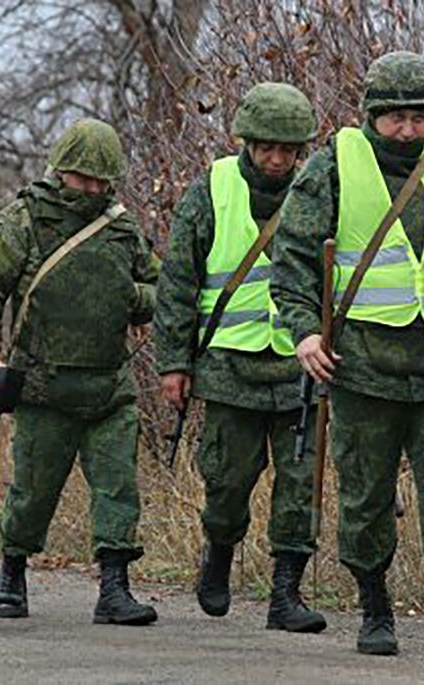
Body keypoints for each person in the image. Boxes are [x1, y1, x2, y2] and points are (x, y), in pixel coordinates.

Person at [270, 51, 424, 657]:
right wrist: (304, 332)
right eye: (395, 118)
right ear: (370, 116)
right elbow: (294, 259)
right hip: (361, 366)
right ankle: (374, 613)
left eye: (419, 116)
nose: (407, 129)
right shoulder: (331, 168)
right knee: (365, 492)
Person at [0, 118, 159, 626]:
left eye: (100, 181)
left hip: (109, 388)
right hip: (42, 388)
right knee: (31, 493)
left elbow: (163, 290)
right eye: (81, 179)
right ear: (60, 171)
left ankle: (114, 589)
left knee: (118, 489)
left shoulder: (121, 228)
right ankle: (12, 577)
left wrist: (132, 297)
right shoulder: (24, 220)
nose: (91, 190)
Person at [153, 82, 326, 633]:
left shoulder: (320, 191)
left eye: (288, 149)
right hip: (229, 368)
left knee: (300, 485)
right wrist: (174, 364)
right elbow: (178, 281)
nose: (277, 159)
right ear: (246, 143)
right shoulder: (212, 189)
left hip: (302, 367)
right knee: (227, 483)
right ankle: (219, 556)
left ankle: (285, 596)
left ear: (301, 150)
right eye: (266, 147)